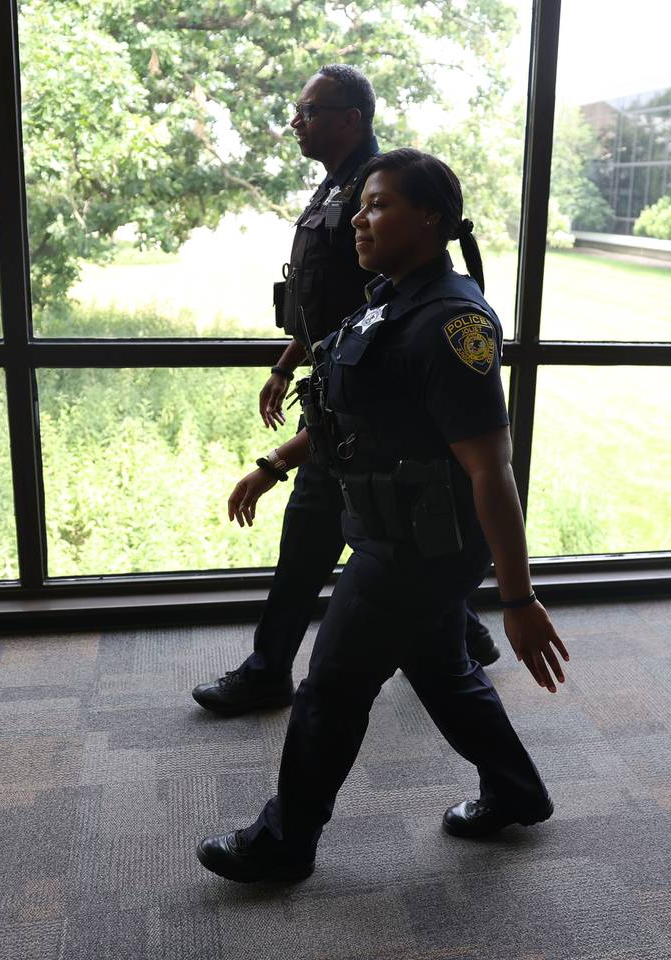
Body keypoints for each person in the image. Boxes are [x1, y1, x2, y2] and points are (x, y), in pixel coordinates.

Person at [198, 148, 571, 883]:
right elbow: (348, 410)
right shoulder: (386, 299)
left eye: (379, 206)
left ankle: (285, 841)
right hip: (389, 530)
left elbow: (491, 468)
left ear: (429, 216)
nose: (359, 221)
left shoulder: (450, 322)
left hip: (419, 548)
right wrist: (274, 466)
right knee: (441, 668)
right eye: (361, 205)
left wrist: (519, 597)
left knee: (331, 687)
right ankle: (517, 791)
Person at [191, 66, 499, 718]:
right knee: (363, 555)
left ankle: (270, 669)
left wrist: (278, 458)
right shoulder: (339, 190)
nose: (296, 121)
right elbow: (324, 303)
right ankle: (459, 638)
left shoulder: (382, 188)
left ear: (351, 117)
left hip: (365, 410)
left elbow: (378, 311)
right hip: (342, 391)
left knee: (313, 541)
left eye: (310, 110)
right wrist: (284, 364)